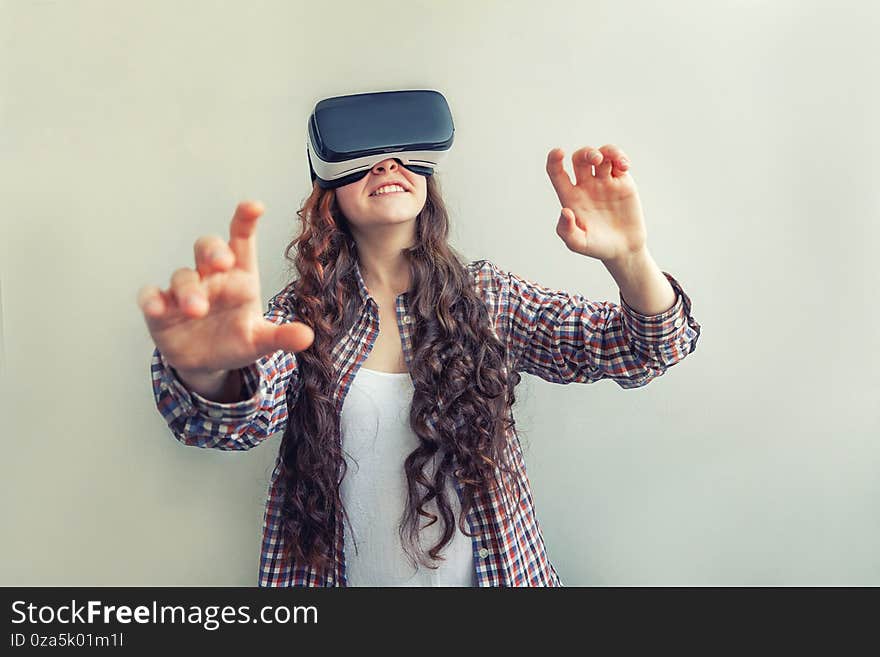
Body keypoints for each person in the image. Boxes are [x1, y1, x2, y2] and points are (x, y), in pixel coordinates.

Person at [137, 146, 701, 587]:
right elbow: (232, 424)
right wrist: (208, 375)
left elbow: (644, 348)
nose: (388, 163)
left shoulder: (488, 297)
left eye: (405, 149)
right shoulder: (297, 318)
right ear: (327, 190)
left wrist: (630, 258)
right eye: (363, 155)